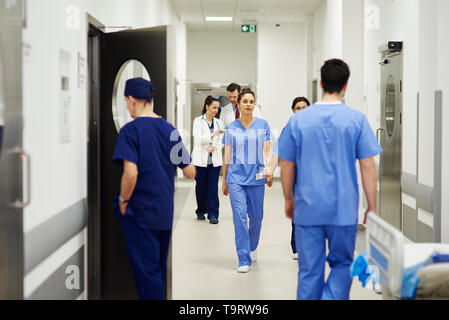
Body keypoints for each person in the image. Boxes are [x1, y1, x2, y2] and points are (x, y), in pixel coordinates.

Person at [275, 59, 382, 300]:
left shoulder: (298, 121)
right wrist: (371, 206)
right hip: (343, 210)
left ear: (321, 83)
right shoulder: (356, 120)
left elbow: (286, 165)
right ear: (346, 86)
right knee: (342, 263)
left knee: (309, 270)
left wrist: (289, 198)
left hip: (307, 207)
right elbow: (368, 167)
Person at [112, 77, 196, 300]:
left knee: (146, 274)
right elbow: (190, 171)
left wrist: (122, 201)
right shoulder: (169, 129)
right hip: (163, 212)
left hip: (140, 213)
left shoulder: (130, 131)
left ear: (131, 100)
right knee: (156, 269)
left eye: (126, 102)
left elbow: (131, 173)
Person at [222, 88, 274, 273]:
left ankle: (252, 246)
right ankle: (243, 258)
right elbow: (227, 154)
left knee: (257, 218)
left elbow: (267, 151)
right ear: (239, 104)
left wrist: (269, 170)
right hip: (236, 177)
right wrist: (224, 179)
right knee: (239, 218)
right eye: (245, 101)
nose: (248, 105)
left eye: (251, 102)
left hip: (257, 177)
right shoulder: (231, 128)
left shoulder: (263, 125)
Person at [191, 95, 225, 224]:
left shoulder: (219, 122)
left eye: (217, 108)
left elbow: (222, 140)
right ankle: (200, 210)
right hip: (200, 161)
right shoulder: (198, 121)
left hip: (214, 161)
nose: (216, 110)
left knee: (212, 188)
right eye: (213, 107)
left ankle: (213, 214)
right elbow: (198, 138)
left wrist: (216, 147)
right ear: (207, 107)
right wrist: (212, 136)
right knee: (201, 187)